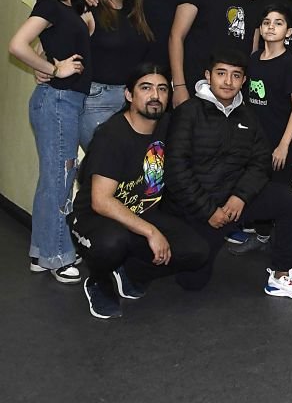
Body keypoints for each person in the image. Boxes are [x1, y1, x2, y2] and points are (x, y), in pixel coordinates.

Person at [164, 48, 292, 301]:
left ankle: (281, 276)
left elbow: (260, 162)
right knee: (191, 282)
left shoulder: (247, 114)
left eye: (236, 76)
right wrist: (208, 211)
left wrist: (240, 197)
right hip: (199, 208)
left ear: (244, 81)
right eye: (221, 74)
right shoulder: (188, 112)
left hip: (234, 202)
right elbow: (176, 171)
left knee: (288, 198)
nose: (228, 81)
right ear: (208, 75)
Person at [67, 63, 209, 319]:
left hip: (141, 213)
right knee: (113, 243)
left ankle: (127, 270)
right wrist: (151, 232)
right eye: (146, 88)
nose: (155, 95)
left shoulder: (167, 124)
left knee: (197, 250)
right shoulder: (112, 134)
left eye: (162, 89)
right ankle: (99, 280)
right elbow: (100, 201)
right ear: (129, 95)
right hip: (95, 218)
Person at [8, 0, 91, 282]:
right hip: (57, 101)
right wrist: (53, 69)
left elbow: (50, 41)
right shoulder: (49, 4)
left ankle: (42, 254)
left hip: (62, 101)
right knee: (60, 179)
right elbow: (16, 45)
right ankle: (58, 256)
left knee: (52, 180)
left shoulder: (68, 6)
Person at [230, 5, 292, 254]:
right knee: (256, 189)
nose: (271, 26)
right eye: (266, 22)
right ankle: (261, 237)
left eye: (278, 22)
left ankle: (286, 255)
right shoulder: (252, 60)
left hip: (280, 142)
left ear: (289, 31)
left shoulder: (289, 64)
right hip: (255, 142)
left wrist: (283, 145)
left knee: (282, 196)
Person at [169, 0, 264, 106]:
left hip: (233, 95)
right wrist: (179, 86)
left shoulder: (254, 4)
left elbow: (252, 52)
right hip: (195, 88)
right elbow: (176, 37)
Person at [79, 0, 154, 149]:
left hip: (130, 101)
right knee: (104, 164)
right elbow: (51, 43)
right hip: (96, 100)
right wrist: (44, 68)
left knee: (125, 169)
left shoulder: (136, 16)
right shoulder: (88, 12)